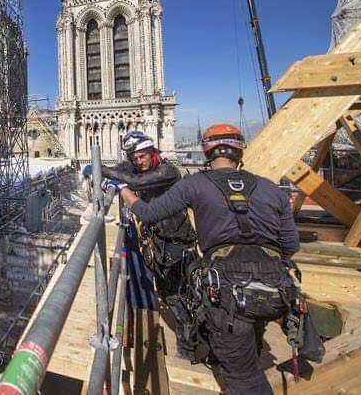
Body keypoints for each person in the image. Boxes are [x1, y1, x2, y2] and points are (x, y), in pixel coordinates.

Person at [118, 123, 301, 395]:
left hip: (228, 287)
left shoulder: (194, 184)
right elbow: (290, 245)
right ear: (240, 151)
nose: (138, 161)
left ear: (207, 152)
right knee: (250, 338)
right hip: (274, 285)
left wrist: (121, 189)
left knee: (244, 377)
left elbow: (147, 212)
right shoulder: (271, 188)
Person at [100, 130, 198, 359]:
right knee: (167, 294)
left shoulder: (167, 171)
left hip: (177, 245)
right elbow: (127, 170)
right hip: (158, 245)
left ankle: (190, 346)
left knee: (180, 295)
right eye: (135, 158)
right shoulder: (142, 167)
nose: (139, 162)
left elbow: (135, 181)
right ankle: (189, 339)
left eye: (142, 156)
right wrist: (117, 168)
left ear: (153, 152)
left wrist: (99, 169)